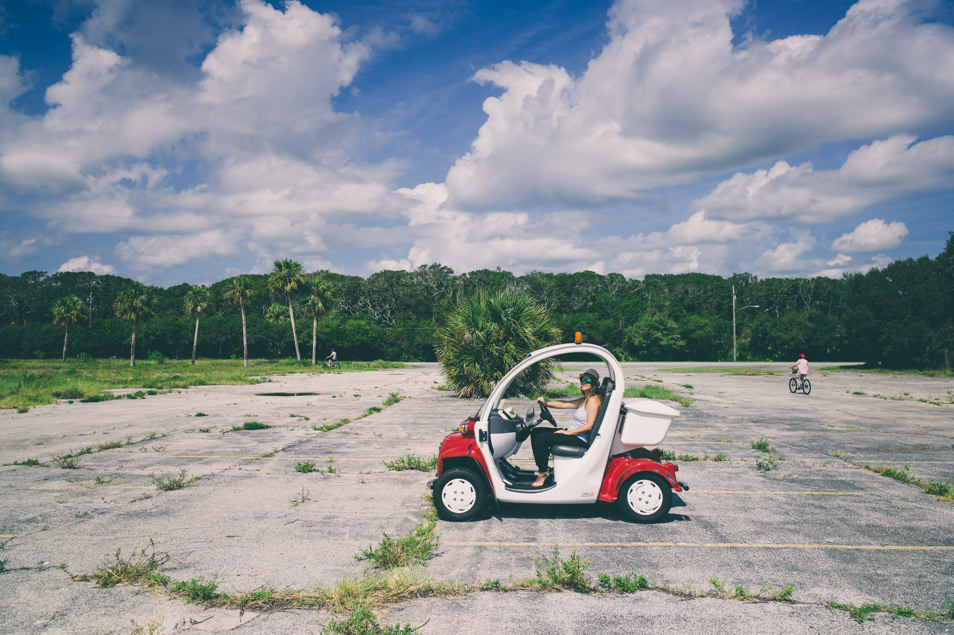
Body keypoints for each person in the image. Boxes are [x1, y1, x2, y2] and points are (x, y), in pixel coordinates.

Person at [529, 368, 603, 488]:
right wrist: (546, 403)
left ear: (594, 383)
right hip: (574, 434)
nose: (583, 382)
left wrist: (567, 433)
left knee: (541, 439)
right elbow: (564, 403)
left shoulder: (593, 400)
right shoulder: (585, 400)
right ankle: (545, 467)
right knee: (536, 431)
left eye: (587, 379)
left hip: (580, 439)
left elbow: (589, 426)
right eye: (582, 379)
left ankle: (543, 472)